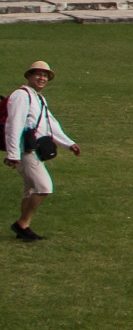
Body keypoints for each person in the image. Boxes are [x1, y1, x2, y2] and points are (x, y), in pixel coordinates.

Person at [6, 61, 81, 242]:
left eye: (45, 75)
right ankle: (22, 223)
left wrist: (68, 143)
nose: (42, 78)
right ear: (29, 76)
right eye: (38, 74)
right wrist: (13, 154)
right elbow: (13, 125)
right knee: (44, 187)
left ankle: (24, 228)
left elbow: (50, 124)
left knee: (29, 190)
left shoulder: (38, 98)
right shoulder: (21, 96)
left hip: (34, 150)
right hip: (26, 152)